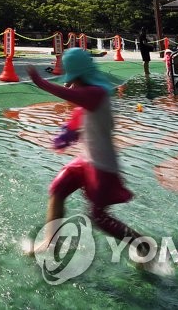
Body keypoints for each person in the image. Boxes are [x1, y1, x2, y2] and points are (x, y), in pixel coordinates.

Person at [25, 49, 149, 261]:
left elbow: (71, 96)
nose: (69, 84)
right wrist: (67, 135)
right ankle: (50, 243)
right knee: (58, 189)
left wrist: (40, 82)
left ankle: (144, 247)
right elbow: (78, 119)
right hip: (85, 161)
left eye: (71, 79)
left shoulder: (96, 94)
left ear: (79, 76)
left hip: (102, 166)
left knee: (99, 217)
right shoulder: (88, 99)